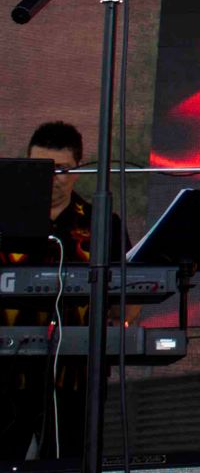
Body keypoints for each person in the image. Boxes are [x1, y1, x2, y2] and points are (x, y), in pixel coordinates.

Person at [1, 121, 124, 459]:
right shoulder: (3, 216)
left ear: (77, 170)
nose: (51, 178)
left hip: (76, 377)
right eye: (41, 167)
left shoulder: (102, 223)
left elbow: (126, 305)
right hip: (5, 376)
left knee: (70, 461)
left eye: (61, 169)